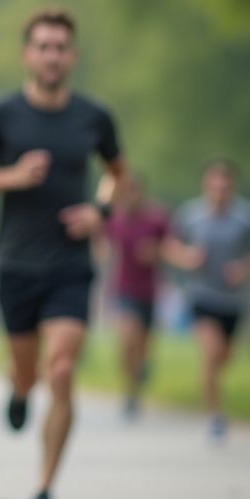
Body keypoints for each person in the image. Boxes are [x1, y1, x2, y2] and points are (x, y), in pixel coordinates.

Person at [0, 7, 125, 499]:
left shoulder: (94, 117)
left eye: (60, 48)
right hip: (17, 265)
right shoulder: (1, 114)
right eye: (44, 47)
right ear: (27, 55)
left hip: (70, 266)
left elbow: (118, 174)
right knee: (29, 372)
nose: (52, 56)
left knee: (64, 370)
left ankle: (44, 489)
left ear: (72, 56)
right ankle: (20, 387)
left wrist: (100, 211)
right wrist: (13, 177)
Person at [162, 158, 250, 441]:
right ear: (206, 185)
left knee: (223, 358)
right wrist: (188, 258)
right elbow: (170, 246)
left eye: (225, 185)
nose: (220, 190)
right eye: (215, 184)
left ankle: (213, 399)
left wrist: (245, 269)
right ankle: (215, 416)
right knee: (212, 354)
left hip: (233, 300)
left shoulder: (247, 216)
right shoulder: (191, 214)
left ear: (233, 186)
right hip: (201, 296)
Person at [98, 172, 169, 418]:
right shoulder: (114, 221)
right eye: (126, 192)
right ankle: (130, 390)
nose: (131, 196)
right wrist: (103, 253)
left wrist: (156, 253)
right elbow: (100, 244)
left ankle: (137, 383)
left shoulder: (157, 219)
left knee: (143, 344)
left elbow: (172, 249)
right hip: (123, 288)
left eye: (134, 191)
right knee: (128, 338)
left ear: (142, 193)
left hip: (149, 291)